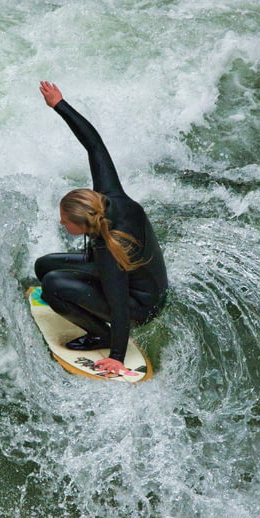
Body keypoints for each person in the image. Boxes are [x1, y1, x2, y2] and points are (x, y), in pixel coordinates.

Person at [35, 81, 168, 376]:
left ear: (83, 224)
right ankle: (90, 314)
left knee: (54, 285)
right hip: (140, 281)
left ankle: (101, 335)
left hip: (142, 304)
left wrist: (116, 356)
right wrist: (59, 104)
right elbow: (94, 145)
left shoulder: (110, 249)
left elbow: (120, 305)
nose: (61, 222)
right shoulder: (108, 197)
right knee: (44, 265)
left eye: (65, 221)